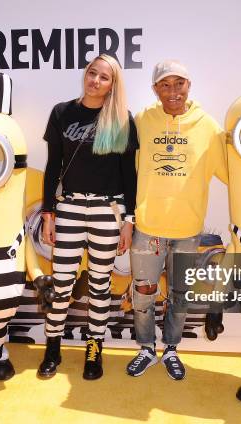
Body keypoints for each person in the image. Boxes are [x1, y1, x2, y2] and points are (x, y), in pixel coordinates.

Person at [126, 60, 228, 380]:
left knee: (180, 296)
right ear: (155, 89)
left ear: (189, 85)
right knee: (143, 292)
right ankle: (145, 347)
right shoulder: (141, 121)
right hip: (148, 227)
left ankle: (171, 348)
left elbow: (234, 173)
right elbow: (122, 170)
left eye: (179, 84)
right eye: (165, 85)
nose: (173, 92)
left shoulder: (208, 126)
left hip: (187, 230)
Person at [38, 54, 138, 380]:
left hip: (107, 211)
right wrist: (48, 213)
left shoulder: (123, 120)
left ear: (113, 84)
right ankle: (52, 348)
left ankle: (94, 351)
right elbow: (53, 166)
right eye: (92, 73)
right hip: (68, 207)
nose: (95, 80)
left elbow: (129, 176)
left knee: (99, 284)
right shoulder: (62, 113)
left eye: (104, 77)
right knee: (62, 282)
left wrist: (129, 220)